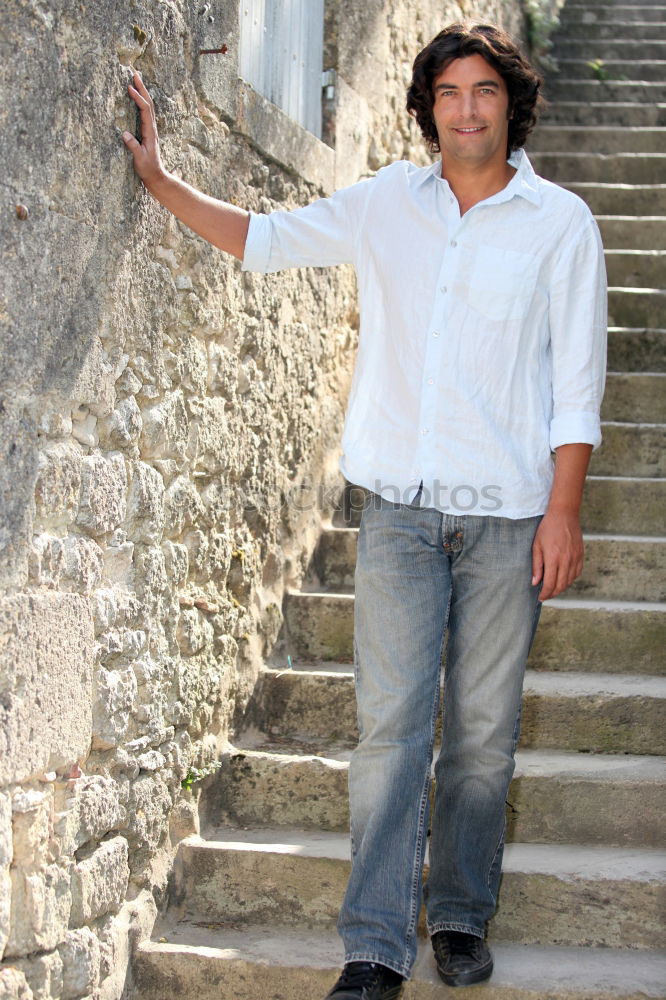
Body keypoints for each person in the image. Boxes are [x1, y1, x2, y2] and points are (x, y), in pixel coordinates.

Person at [121, 20, 607, 1000]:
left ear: (512, 104)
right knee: (389, 733)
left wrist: (564, 510)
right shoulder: (390, 202)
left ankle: (462, 914)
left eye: (485, 91)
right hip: (398, 516)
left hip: (511, 516)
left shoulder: (562, 224)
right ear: (426, 107)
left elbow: (577, 383)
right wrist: (164, 183)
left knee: (480, 734)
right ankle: (375, 943)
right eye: (450, 92)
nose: (468, 108)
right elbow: (268, 240)